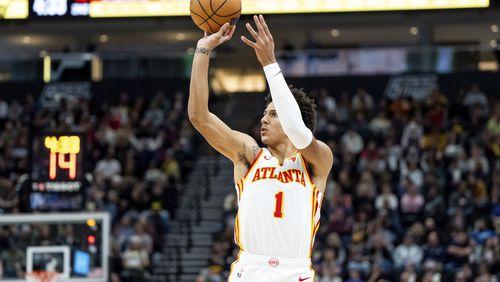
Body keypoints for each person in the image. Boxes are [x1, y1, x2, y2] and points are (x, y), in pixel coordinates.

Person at [188, 15, 333, 282]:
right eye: (265, 113)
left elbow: (298, 131)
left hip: (295, 271)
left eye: (274, 114)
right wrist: (202, 50)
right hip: (250, 269)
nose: (264, 119)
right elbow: (199, 116)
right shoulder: (249, 154)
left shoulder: (317, 159)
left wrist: (269, 63)